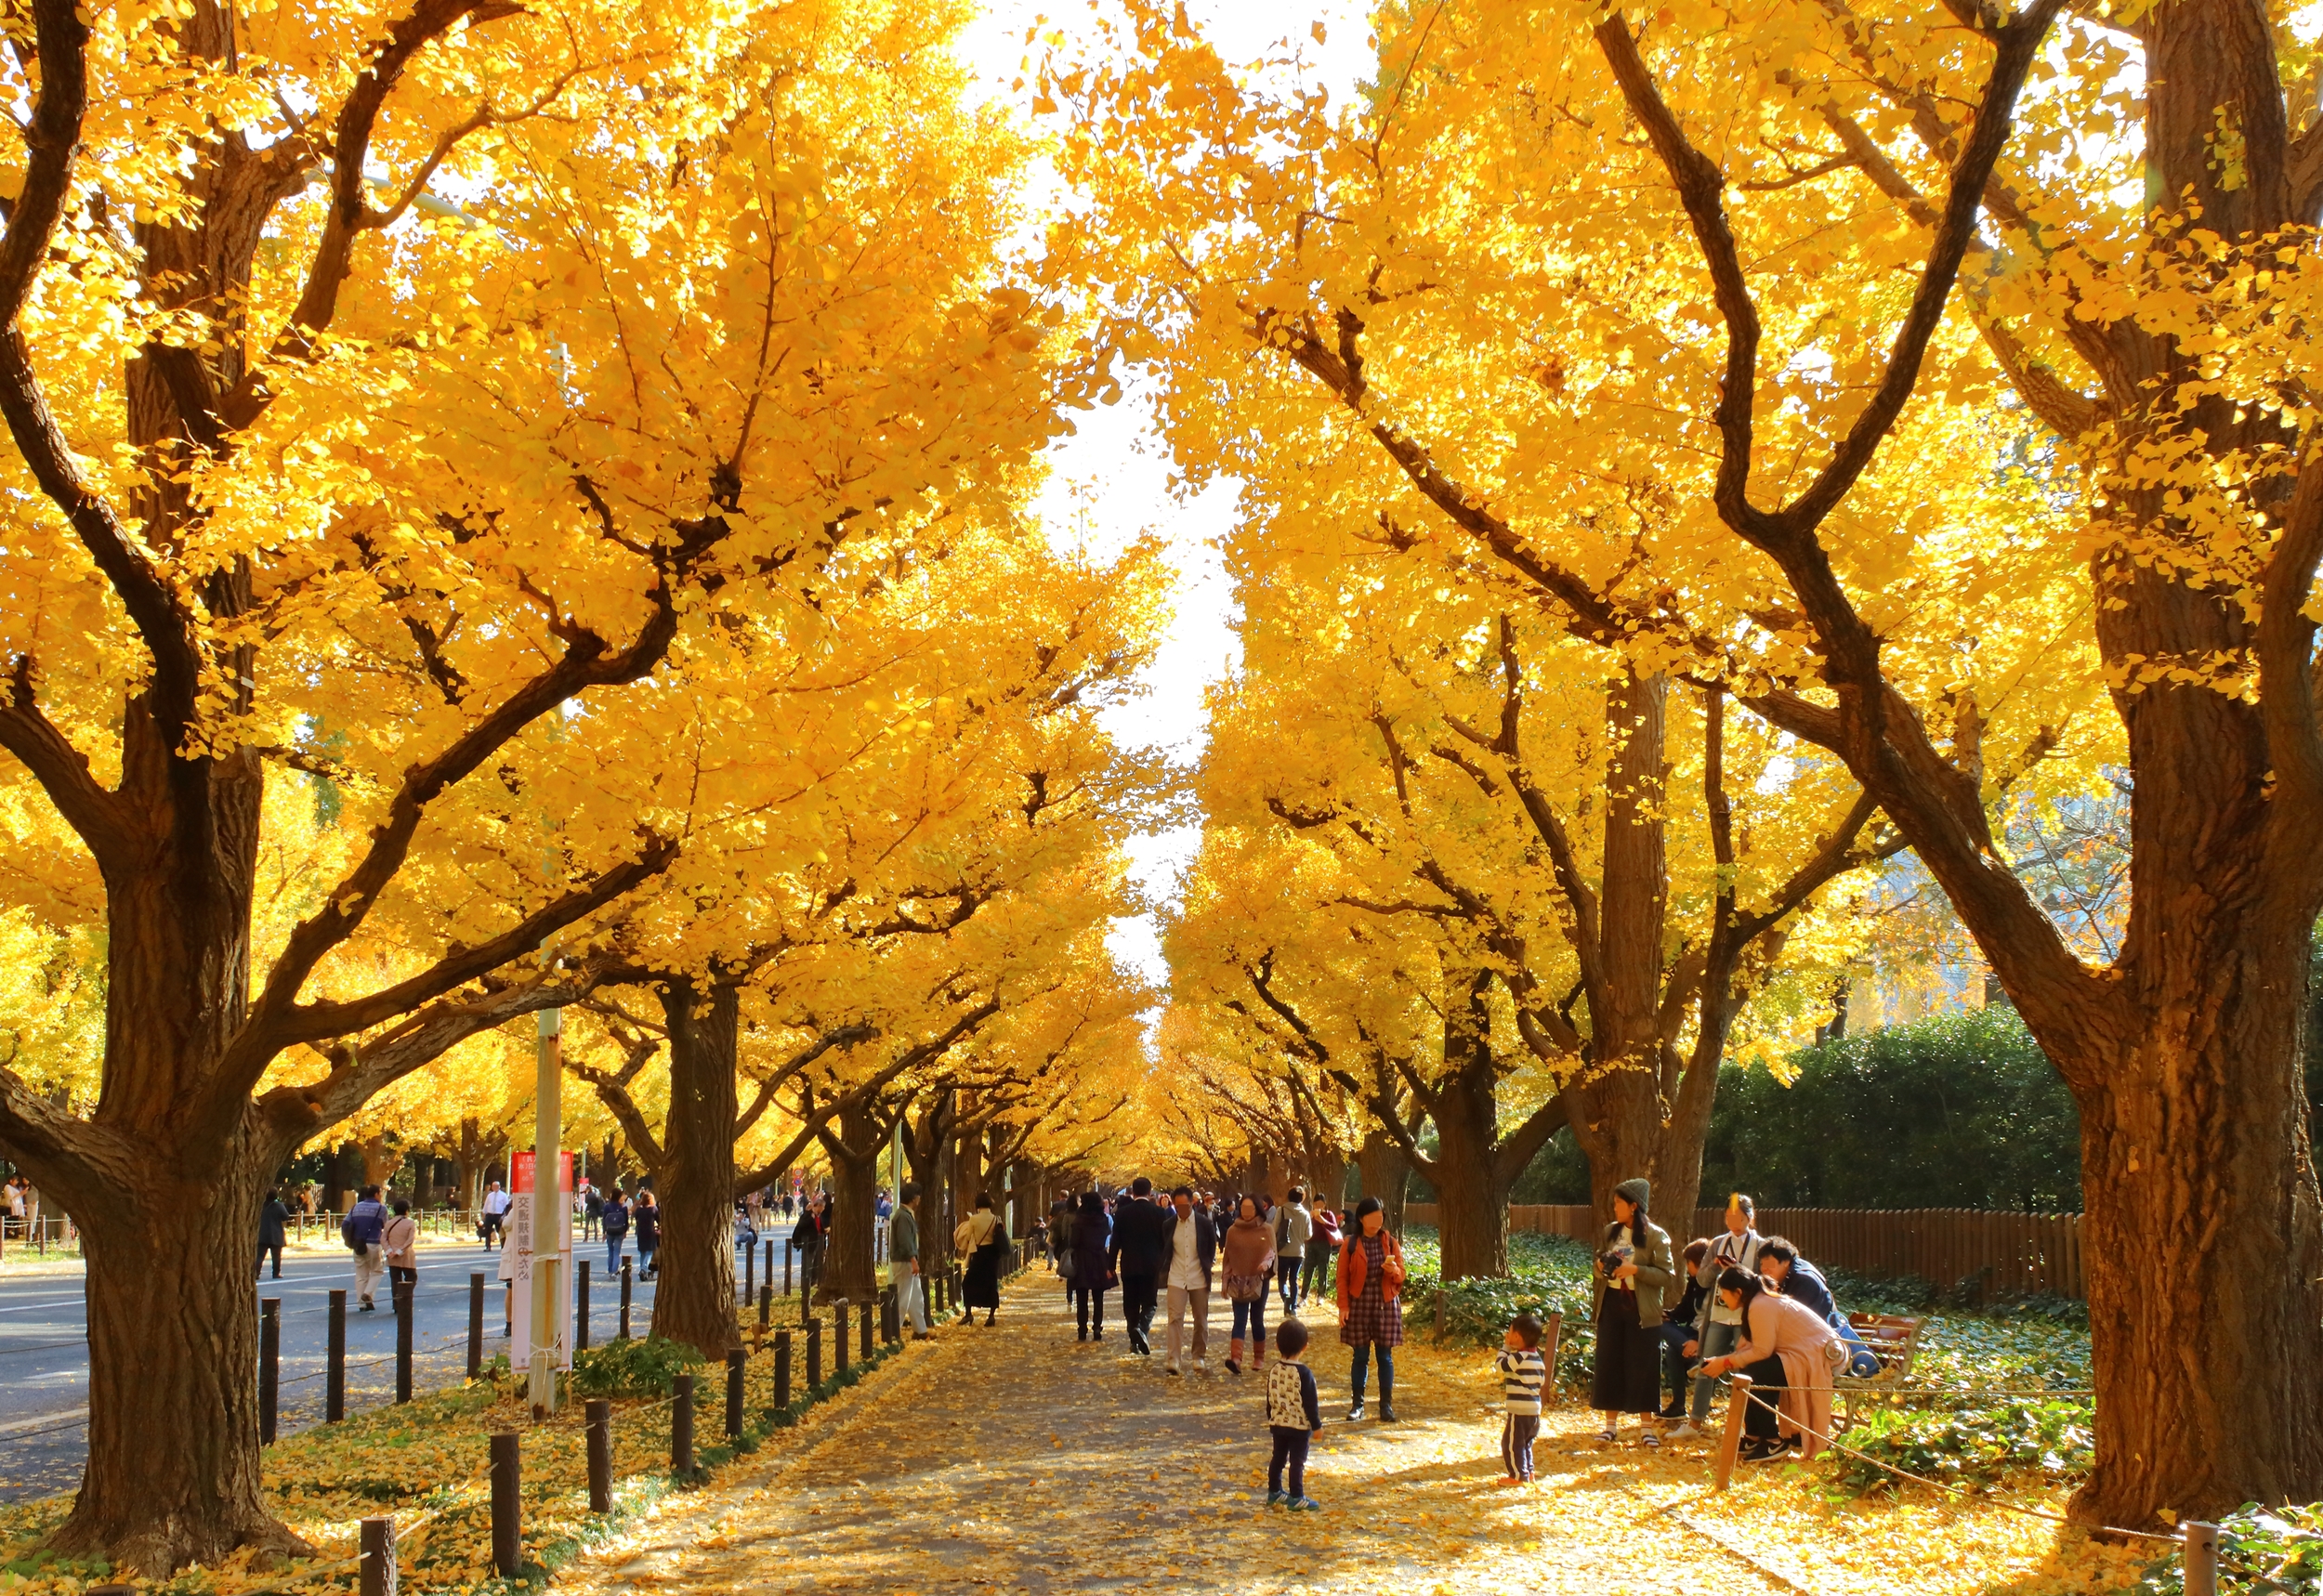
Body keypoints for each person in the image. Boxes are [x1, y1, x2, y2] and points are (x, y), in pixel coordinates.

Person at [1698, 1265, 1845, 1462]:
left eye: (1724, 1293)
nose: (1722, 1298)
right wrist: (1726, 1362)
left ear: (1738, 1292)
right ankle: (1754, 1435)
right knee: (1751, 1370)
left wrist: (1725, 1362)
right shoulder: (1758, 1302)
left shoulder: (1760, 1305)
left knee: (1757, 1373)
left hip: (1821, 1356)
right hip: (1808, 1353)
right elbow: (1757, 1349)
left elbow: (1761, 1351)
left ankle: (1773, 1441)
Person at [1591, 1176, 1674, 1446]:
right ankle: (1610, 1425)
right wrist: (1602, 1267)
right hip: (1612, 1302)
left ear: (1634, 1206)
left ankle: (1646, 1428)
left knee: (1644, 1365)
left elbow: (1667, 1275)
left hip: (1642, 1307)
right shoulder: (1610, 1232)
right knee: (1609, 1360)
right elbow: (1600, 1264)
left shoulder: (1656, 1236)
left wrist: (1635, 1270)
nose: (1615, 1208)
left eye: (1619, 1203)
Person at [1681, 1195, 1765, 1436]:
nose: (1731, 1221)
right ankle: (1695, 1422)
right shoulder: (1718, 1243)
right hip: (1718, 1313)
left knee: (1744, 1366)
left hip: (1745, 1314)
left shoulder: (1760, 1245)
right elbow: (1702, 1279)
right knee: (1707, 1364)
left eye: (1736, 1216)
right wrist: (1717, 1264)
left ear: (1749, 1217)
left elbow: (1766, 1281)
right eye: (1727, 1216)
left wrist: (1741, 1273)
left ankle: (1743, 1425)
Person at [1336, 1196, 1405, 1421]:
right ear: (1362, 1219)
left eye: (1380, 1216)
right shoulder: (1351, 1243)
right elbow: (1342, 1277)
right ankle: (1358, 1405)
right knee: (1360, 1356)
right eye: (1372, 1217)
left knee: (1385, 1356)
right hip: (1359, 1303)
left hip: (1385, 1303)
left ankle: (1386, 1405)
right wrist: (1343, 1306)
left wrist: (1393, 1270)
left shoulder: (1391, 1242)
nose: (1377, 1221)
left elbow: (1401, 1277)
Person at [1106, 1176, 1171, 1355]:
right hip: (1152, 1263)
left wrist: (1110, 1265)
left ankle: (1133, 1338)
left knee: (1130, 1303)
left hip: (1129, 1263)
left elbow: (1115, 1241)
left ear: (1132, 1192)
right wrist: (1164, 1262)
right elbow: (1165, 1240)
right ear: (1150, 1192)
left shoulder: (1122, 1213)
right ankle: (1141, 1329)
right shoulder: (1159, 1213)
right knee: (1150, 1303)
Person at [1265, 1317, 1324, 1511]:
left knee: (1278, 1458)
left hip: (1278, 1423)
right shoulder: (1304, 1373)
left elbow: (1270, 1397)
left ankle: (1274, 1491)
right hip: (1298, 1426)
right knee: (1297, 1461)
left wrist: (1271, 1416)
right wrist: (1316, 1425)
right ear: (1304, 1347)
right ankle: (1296, 1495)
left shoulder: (1274, 1370)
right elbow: (1310, 1402)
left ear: (1277, 1345)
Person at [1657, 1238, 1714, 1435]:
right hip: (1692, 1331)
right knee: (1659, 1326)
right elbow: (1686, 1310)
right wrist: (1668, 1314)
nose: (1687, 1267)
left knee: (1673, 1351)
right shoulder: (1694, 1282)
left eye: (1688, 1263)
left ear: (1697, 1262)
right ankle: (1678, 1406)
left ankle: (1695, 1354)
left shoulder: (1719, 1283)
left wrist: (1700, 1341)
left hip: (1711, 1333)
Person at [1160, 1184, 1216, 1374]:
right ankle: (1173, 1359)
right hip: (1176, 1276)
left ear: (1192, 1203)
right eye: (1178, 1206)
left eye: (1185, 1205)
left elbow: (1210, 1248)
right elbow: (1166, 1248)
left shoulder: (1204, 1224)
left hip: (1198, 1276)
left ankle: (1198, 1356)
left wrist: (1207, 1266)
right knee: (1175, 1318)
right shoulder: (1169, 1224)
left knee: (1200, 1319)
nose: (1181, 1210)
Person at [1223, 1196, 1276, 1375]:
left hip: (1260, 1280)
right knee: (1239, 1320)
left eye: (1250, 1208)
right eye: (1243, 1208)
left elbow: (1272, 1252)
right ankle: (1236, 1359)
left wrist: (1266, 1265)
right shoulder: (1232, 1230)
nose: (1246, 1213)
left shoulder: (1266, 1229)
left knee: (1256, 1319)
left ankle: (1259, 1357)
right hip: (1238, 1281)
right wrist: (1225, 1281)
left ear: (1258, 1209)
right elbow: (1228, 1257)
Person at [1495, 1312, 1549, 1485]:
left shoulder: (1517, 1358)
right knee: (1526, 1443)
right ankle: (1529, 1472)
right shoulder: (1537, 1359)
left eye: (1510, 1332)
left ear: (1516, 1336)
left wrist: (1506, 1348)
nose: (1507, 1335)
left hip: (1519, 1411)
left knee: (1511, 1444)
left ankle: (1518, 1476)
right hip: (1534, 1411)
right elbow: (1542, 1381)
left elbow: (1499, 1366)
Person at [957, 1192, 1008, 1327]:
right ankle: (991, 1315)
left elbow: (968, 1237)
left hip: (980, 1253)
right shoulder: (997, 1219)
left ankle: (968, 1313)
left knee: (968, 1282)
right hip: (993, 1255)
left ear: (978, 1204)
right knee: (991, 1283)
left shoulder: (974, 1219)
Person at [1070, 1189, 1112, 1341]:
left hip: (1082, 1259)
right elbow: (1107, 1235)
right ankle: (1097, 1328)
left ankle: (1082, 1328)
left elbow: (1073, 1242)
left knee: (1082, 1296)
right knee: (1098, 1296)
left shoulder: (1078, 1221)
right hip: (1099, 1258)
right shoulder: (1104, 1220)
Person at [892, 1181, 932, 1339]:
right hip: (904, 1262)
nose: (920, 1200)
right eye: (919, 1196)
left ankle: (920, 1330)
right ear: (914, 1198)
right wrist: (913, 1259)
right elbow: (905, 1240)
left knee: (916, 1298)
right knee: (902, 1298)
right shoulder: (902, 1216)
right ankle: (893, 1333)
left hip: (907, 1261)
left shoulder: (905, 1214)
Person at [345, 1184, 388, 1311]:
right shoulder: (381, 1209)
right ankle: (368, 1294)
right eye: (380, 1193)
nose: (381, 1196)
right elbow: (386, 1227)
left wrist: (350, 1241)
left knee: (361, 1274)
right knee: (377, 1270)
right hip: (374, 1243)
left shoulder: (355, 1208)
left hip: (358, 1245)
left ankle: (361, 1304)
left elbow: (345, 1225)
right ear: (376, 1194)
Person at [1273, 1187, 1314, 1313]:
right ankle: (1294, 1307)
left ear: (1289, 1196)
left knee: (1282, 1279)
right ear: (1302, 1199)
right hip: (1298, 1252)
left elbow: (1274, 1228)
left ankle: (1286, 1298)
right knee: (1294, 1279)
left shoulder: (1282, 1210)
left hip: (1283, 1251)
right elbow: (1309, 1235)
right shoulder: (1306, 1214)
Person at [1303, 1203, 1341, 1307]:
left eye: (1320, 1203)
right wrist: (1310, 1217)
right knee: (1308, 1270)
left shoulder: (1329, 1214)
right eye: (1316, 1204)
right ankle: (1303, 1296)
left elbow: (1334, 1227)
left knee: (1323, 1270)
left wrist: (1322, 1220)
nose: (1318, 1206)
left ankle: (1320, 1296)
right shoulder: (1310, 1215)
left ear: (1324, 1204)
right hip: (1311, 1245)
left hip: (1324, 1245)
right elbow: (1304, 1227)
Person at [383, 1197, 419, 1298]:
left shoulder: (389, 1223)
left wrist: (389, 1250)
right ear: (407, 1211)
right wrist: (399, 1251)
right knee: (412, 1277)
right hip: (406, 1256)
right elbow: (410, 1240)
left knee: (395, 1281)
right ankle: (405, 1297)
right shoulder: (410, 1223)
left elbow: (383, 1238)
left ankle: (396, 1304)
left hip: (392, 1257)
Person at [793, 1193, 827, 1297]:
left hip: (818, 1242)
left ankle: (814, 1281)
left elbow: (819, 1228)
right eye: (822, 1207)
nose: (823, 1210)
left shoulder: (818, 1217)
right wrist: (809, 1215)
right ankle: (806, 1283)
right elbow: (801, 1225)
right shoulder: (807, 1215)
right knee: (808, 1264)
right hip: (809, 1243)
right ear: (818, 1206)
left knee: (817, 1263)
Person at [257, 1186, 289, 1280]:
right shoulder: (279, 1205)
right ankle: (276, 1273)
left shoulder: (260, 1205)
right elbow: (285, 1216)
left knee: (259, 1255)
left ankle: (256, 1272)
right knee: (276, 1256)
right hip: (276, 1234)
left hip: (262, 1233)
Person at [602, 1185, 631, 1274]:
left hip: (610, 1230)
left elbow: (604, 1219)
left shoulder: (607, 1206)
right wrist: (625, 1230)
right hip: (619, 1231)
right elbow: (626, 1220)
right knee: (617, 1252)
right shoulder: (623, 1207)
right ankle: (615, 1271)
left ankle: (610, 1270)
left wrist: (604, 1231)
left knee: (610, 1251)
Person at [635, 1188, 662, 1279]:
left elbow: (636, 1219)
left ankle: (643, 1269)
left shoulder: (639, 1209)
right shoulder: (653, 1209)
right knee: (649, 1252)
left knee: (642, 1252)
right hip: (650, 1232)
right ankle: (644, 1269)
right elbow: (659, 1220)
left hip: (640, 1232)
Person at [480, 1179, 510, 1250]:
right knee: (487, 1230)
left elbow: (507, 1206)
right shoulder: (490, 1195)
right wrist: (484, 1213)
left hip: (499, 1215)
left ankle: (503, 1246)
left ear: (499, 1187)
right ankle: (488, 1246)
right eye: (494, 1186)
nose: (495, 1187)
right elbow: (486, 1204)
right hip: (490, 1214)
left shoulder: (503, 1195)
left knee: (500, 1231)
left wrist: (505, 1215)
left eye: (496, 1186)